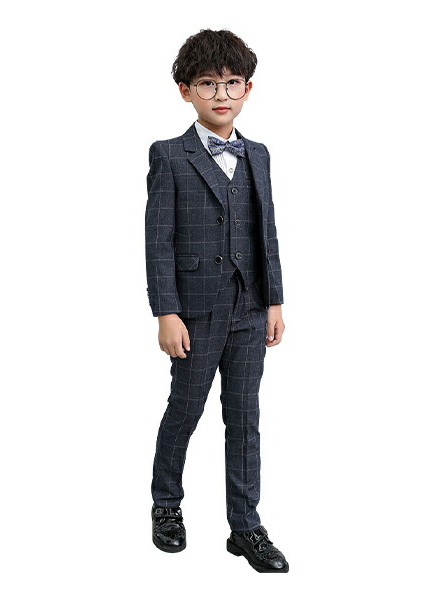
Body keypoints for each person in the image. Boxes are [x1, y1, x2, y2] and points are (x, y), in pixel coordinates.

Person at [145, 29, 289, 573]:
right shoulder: (169, 155)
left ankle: (245, 525)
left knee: (245, 417)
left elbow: (266, 231)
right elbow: (158, 240)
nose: (221, 94)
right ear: (186, 90)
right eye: (207, 84)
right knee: (185, 409)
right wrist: (166, 312)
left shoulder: (258, 155)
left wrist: (274, 301)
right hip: (195, 311)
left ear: (248, 88)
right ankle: (166, 504)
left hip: (250, 310)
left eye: (232, 83)